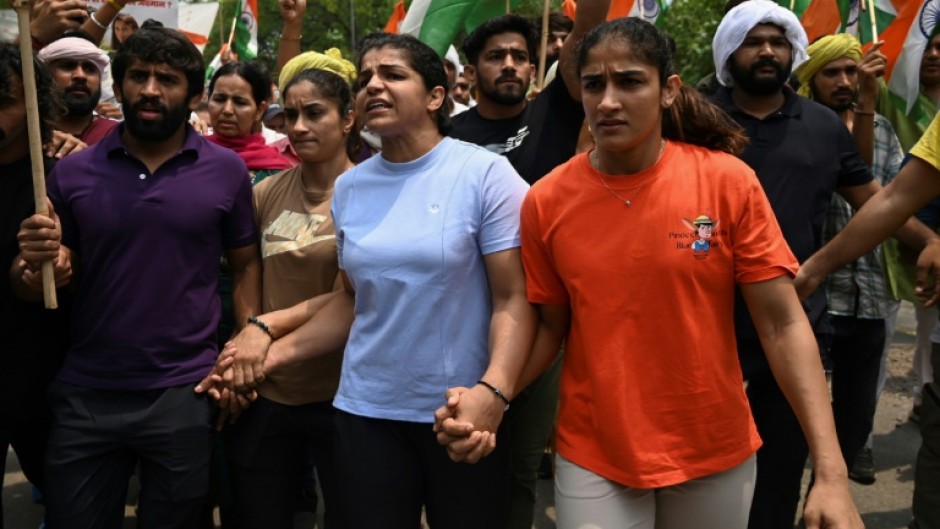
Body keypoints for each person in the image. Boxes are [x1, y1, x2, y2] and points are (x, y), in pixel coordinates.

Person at [438, 17, 862, 529]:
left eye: (631, 81)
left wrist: (832, 473)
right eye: (594, 84)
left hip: (714, 448)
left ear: (668, 91)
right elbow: (549, 325)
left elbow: (783, 324)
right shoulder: (547, 200)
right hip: (594, 449)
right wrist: (492, 394)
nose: (608, 101)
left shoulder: (728, 182)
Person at [209, 32, 533, 529]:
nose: (373, 86)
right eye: (365, 79)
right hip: (365, 411)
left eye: (393, 75)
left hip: (459, 414)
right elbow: (352, 301)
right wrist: (260, 358)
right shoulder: (353, 188)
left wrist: (494, 392)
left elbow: (514, 299)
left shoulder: (486, 175)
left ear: (435, 97)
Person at [16, 27, 262, 529]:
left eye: (167, 79)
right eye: (138, 76)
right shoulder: (73, 173)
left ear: (193, 94)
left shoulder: (227, 171)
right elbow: (41, 277)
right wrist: (40, 264)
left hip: (184, 392)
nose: (151, 89)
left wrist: (242, 345)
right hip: (86, 391)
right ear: (121, 86)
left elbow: (245, 265)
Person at [709, 2, 938, 527]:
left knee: (780, 469)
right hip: (705, 324)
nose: (768, 50)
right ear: (728, 52)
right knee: (700, 474)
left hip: (793, 325)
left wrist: (928, 239)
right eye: (753, 41)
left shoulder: (821, 125)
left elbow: (877, 202)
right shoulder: (694, 117)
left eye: (779, 41)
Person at [448, 7, 607, 528]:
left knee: (519, 468)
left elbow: (585, 32)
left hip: (544, 324)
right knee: (463, 458)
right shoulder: (445, 136)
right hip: (463, 324)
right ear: (471, 71)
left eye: (520, 55)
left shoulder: (555, 112)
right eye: (496, 57)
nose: (511, 65)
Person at [214, 54, 358, 529]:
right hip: (268, 391)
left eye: (314, 113)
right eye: (290, 115)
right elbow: (246, 269)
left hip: (345, 395)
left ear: (348, 118)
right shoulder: (265, 192)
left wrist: (261, 331)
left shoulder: (372, 194)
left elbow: (350, 295)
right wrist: (244, 346)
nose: (298, 126)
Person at [793, 33, 904, 485]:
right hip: (814, 293)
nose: (844, 81)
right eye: (832, 72)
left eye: (851, 72)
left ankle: (825, 493)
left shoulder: (881, 130)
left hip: (870, 294)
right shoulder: (801, 127)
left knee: (857, 416)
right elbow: (852, 177)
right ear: (810, 78)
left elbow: (887, 202)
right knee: (797, 416)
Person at [0, 41, 71, 529]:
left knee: (70, 503)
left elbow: (61, 271)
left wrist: (49, 266)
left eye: (4, 101)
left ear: (34, 106)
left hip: (41, 378)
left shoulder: (63, 179)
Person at [206, 61, 294, 185]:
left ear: (259, 110)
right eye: (219, 99)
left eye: (240, 102)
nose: (227, 110)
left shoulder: (277, 174)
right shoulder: (188, 157)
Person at [38, 33, 118, 145]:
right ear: (45, 76)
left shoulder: (118, 136)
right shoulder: (25, 135)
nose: (80, 75)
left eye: (90, 69)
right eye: (68, 66)